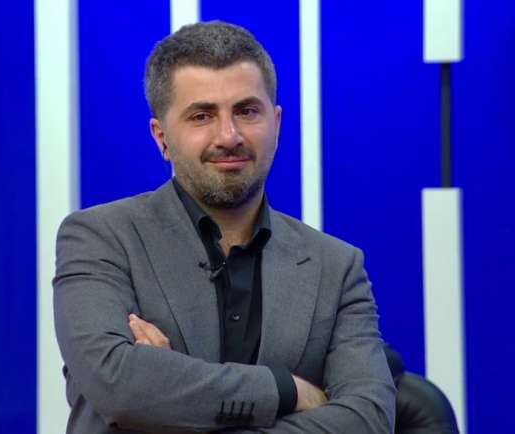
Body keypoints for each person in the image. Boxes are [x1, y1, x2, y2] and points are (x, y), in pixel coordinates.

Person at [53, 21, 395, 433]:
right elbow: (117, 385)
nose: (229, 135)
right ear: (161, 137)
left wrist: (168, 392)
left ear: (277, 123)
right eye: (202, 116)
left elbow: (370, 418)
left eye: (247, 111)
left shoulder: (337, 267)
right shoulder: (100, 239)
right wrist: (286, 390)